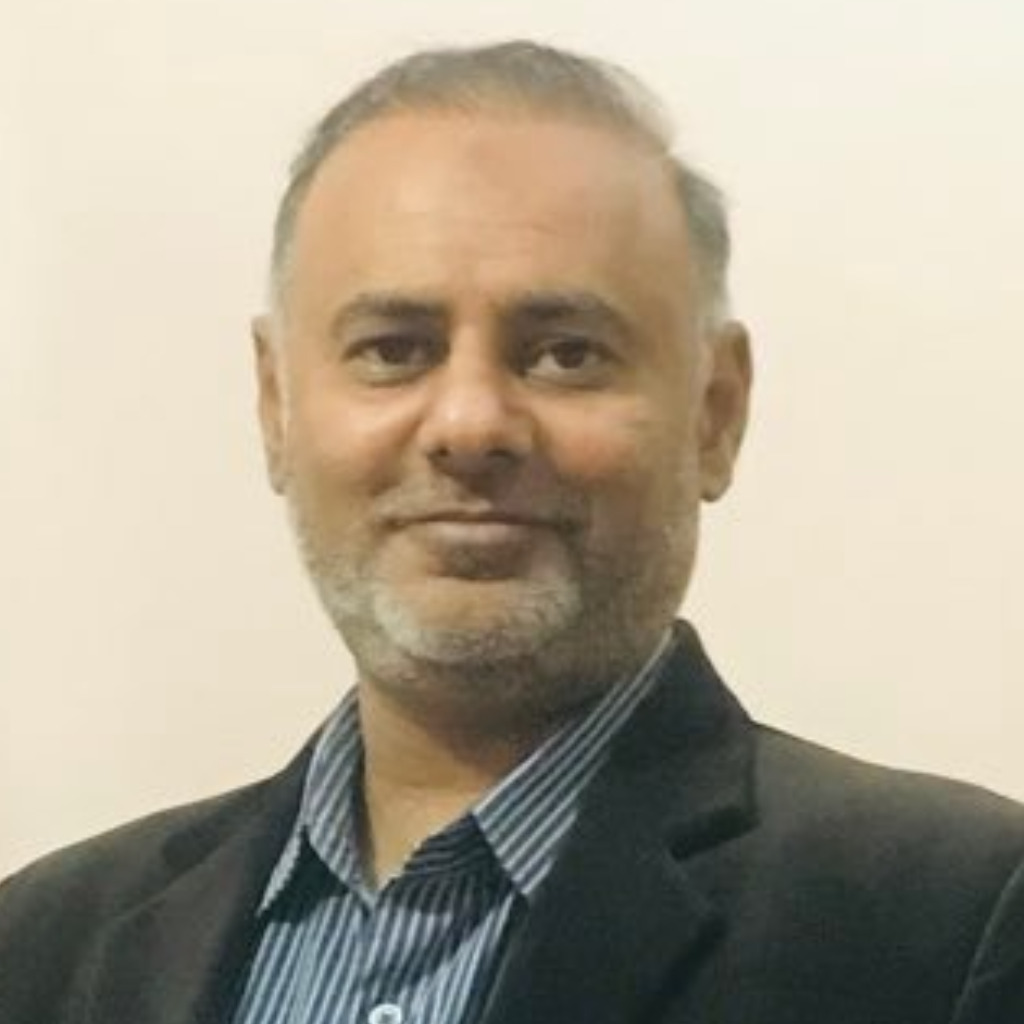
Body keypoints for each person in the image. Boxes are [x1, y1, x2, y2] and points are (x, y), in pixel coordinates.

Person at [1, 39, 1022, 1024]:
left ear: (715, 413)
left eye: (566, 353)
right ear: (276, 406)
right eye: (393, 348)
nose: (470, 425)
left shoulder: (952, 921)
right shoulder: (43, 945)